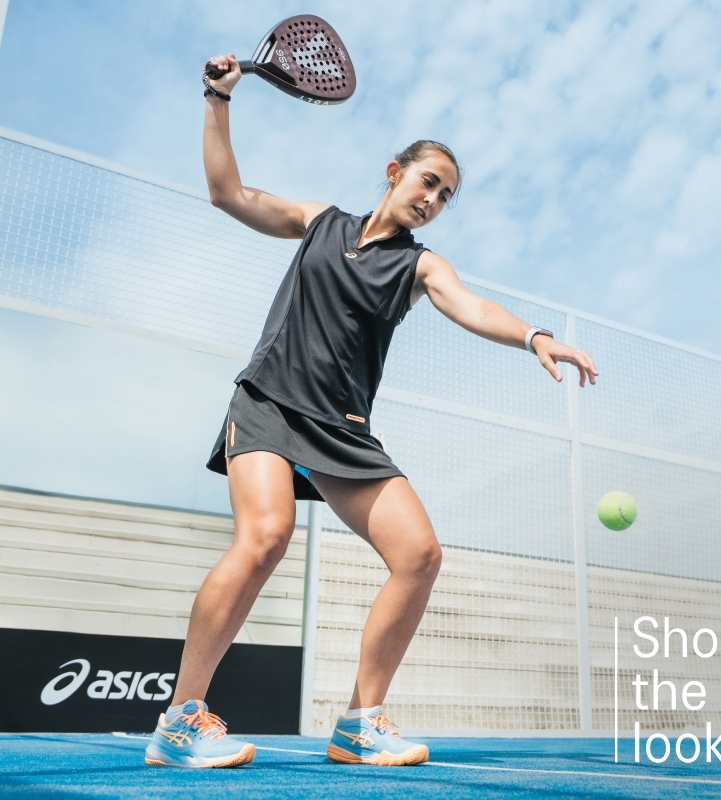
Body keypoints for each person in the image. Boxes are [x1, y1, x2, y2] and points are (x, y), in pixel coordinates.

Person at [145, 54, 599, 770]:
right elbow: (226, 190)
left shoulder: (420, 267)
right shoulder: (318, 221)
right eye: (427, 182)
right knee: (265, 536)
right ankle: (180, 721)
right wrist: (217, 98)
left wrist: (534, 336)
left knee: (419, 555)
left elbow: (472, 305)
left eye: (445, 195)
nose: (432, 200)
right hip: (269, 401)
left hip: (342, 429)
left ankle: (360, 723)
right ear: (394, 173)